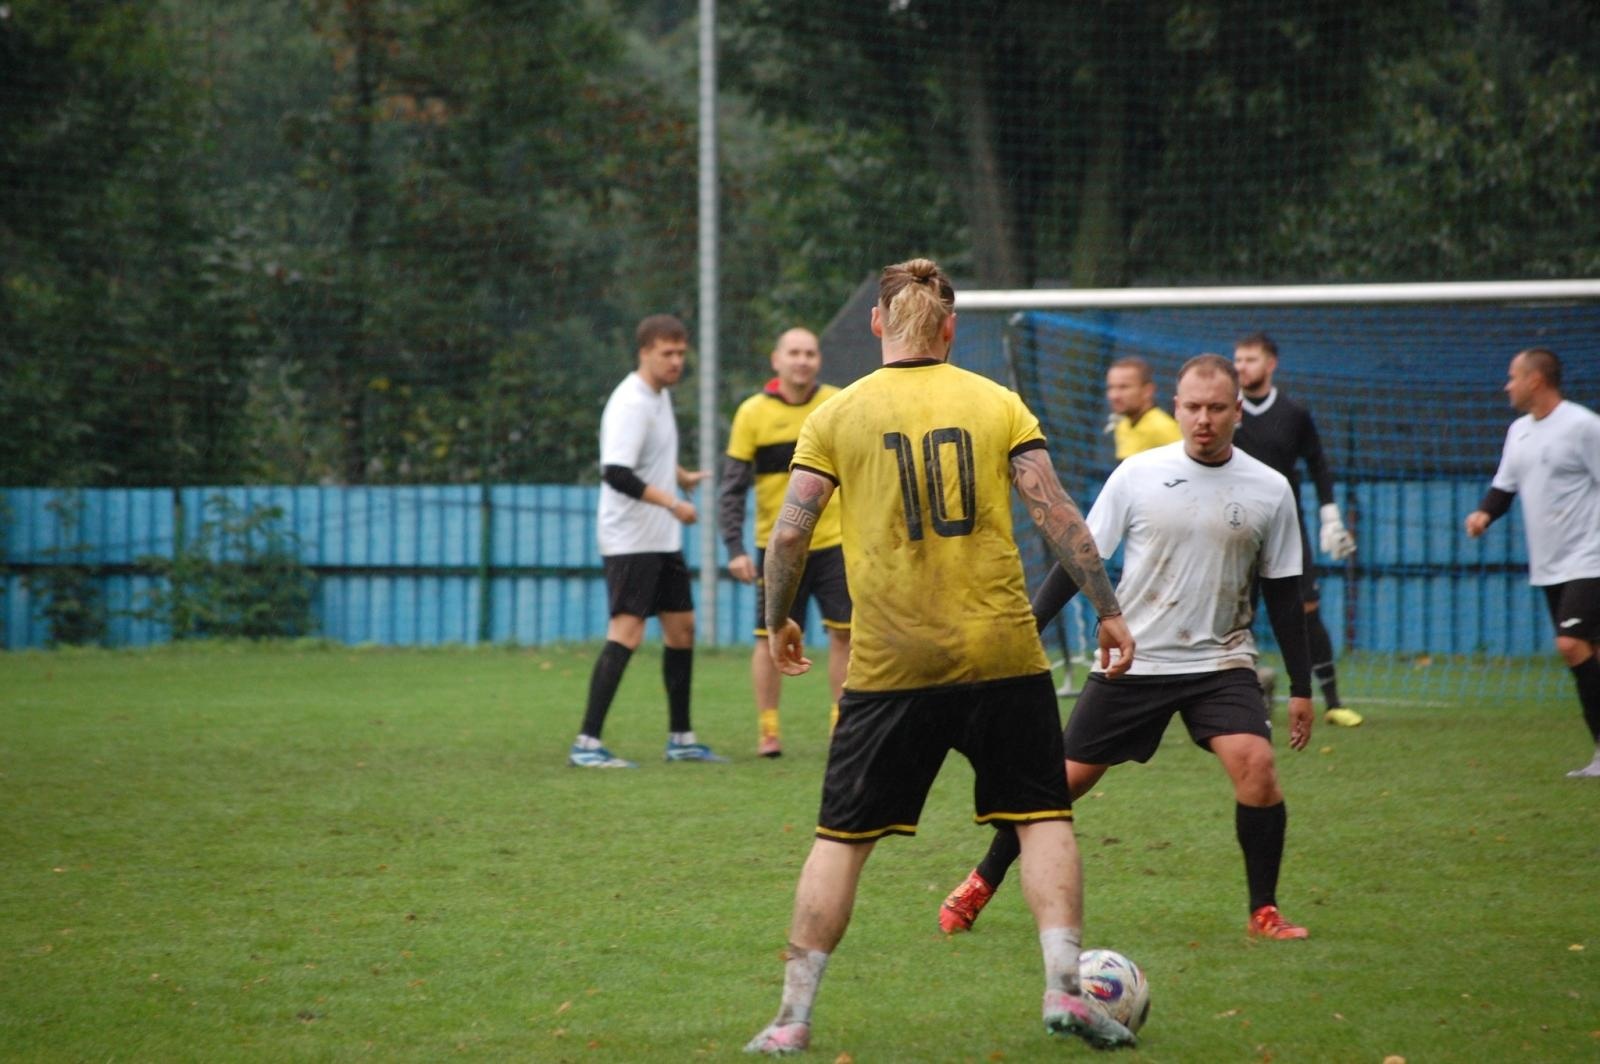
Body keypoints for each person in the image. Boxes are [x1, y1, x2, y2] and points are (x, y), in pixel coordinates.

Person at [744, 259, 1139, 1055]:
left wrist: (777, 617)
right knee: (1042, 818)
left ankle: (791, 1020)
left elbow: (790, 532)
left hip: (893, 663)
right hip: (1000, 648)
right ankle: (1065, 992)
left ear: (878, 324)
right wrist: (1109, 609)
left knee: (840, 838)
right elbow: (1057, 511)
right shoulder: (998, 404)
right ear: (952, 328)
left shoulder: (838, 414)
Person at [940, 353, 1316, 942]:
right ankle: (983, 879)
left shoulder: (1270, 489)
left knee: (1258, 768)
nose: (1204, 419)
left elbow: (1285, 591)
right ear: (1177, 408)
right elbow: (1080, 556)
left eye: (1217, 408)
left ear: (1237, 412)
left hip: (1220, 662)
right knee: (1058, 785)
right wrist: (1029, 625)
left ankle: (1263, 911)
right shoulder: (1137, 474)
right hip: (1134, 660)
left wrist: (1300, 685)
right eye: (1192, 407)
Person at [569, 314, 726, 768]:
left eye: (681, 353)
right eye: (667, 353)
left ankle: (681, 738)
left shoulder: (659, 397)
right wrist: (673, 502)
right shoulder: (631, 402)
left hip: (659, 536)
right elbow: (616, 472)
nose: (676, 361)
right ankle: (587, 744)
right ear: (645, 352)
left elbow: (649, 454)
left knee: (682, 628)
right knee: (628, 631)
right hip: (630, 538)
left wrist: (680, 475)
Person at [1465, 348, 1600, 778]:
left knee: (1570, 644)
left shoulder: (1582, 426)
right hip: (1550, 563)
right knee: (1591, 651)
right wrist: (1485, 513)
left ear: (1536, 380)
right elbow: (1504, 486)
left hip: (1591, 557)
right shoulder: (1518, 431)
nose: (1507, 385)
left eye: (1513, 376)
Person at [719, 327, 851, 758]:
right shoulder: (751, 413)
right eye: (794, 352)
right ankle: (768, 731)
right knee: (769, 636)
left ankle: (841, 724)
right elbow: (733, 488)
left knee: (845, 635)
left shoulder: (838, 402)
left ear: (818, 360)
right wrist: (735, 548)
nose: (802, 360)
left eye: (810, 353)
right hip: (775, 547)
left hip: (835, 543)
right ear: (776, 360)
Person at [1233, 332, 1363, 728]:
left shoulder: (1294, 413)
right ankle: (1244, 704)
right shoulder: (1227, 412)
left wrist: (1330, 516)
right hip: (1237, 527)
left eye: (1250, 359)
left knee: (1306, 611)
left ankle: (1332, 701)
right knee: (1239, 615)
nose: (1241, 367)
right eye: (1237, 360)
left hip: (1287, 528)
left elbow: (1317, 463)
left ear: (1271, 364)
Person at [1105, 356, 1181, 460]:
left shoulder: (1163, 428)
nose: (1114, 395)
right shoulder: (1122, 424)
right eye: (1111, 387)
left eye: (1123, 387)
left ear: (1148, 391)